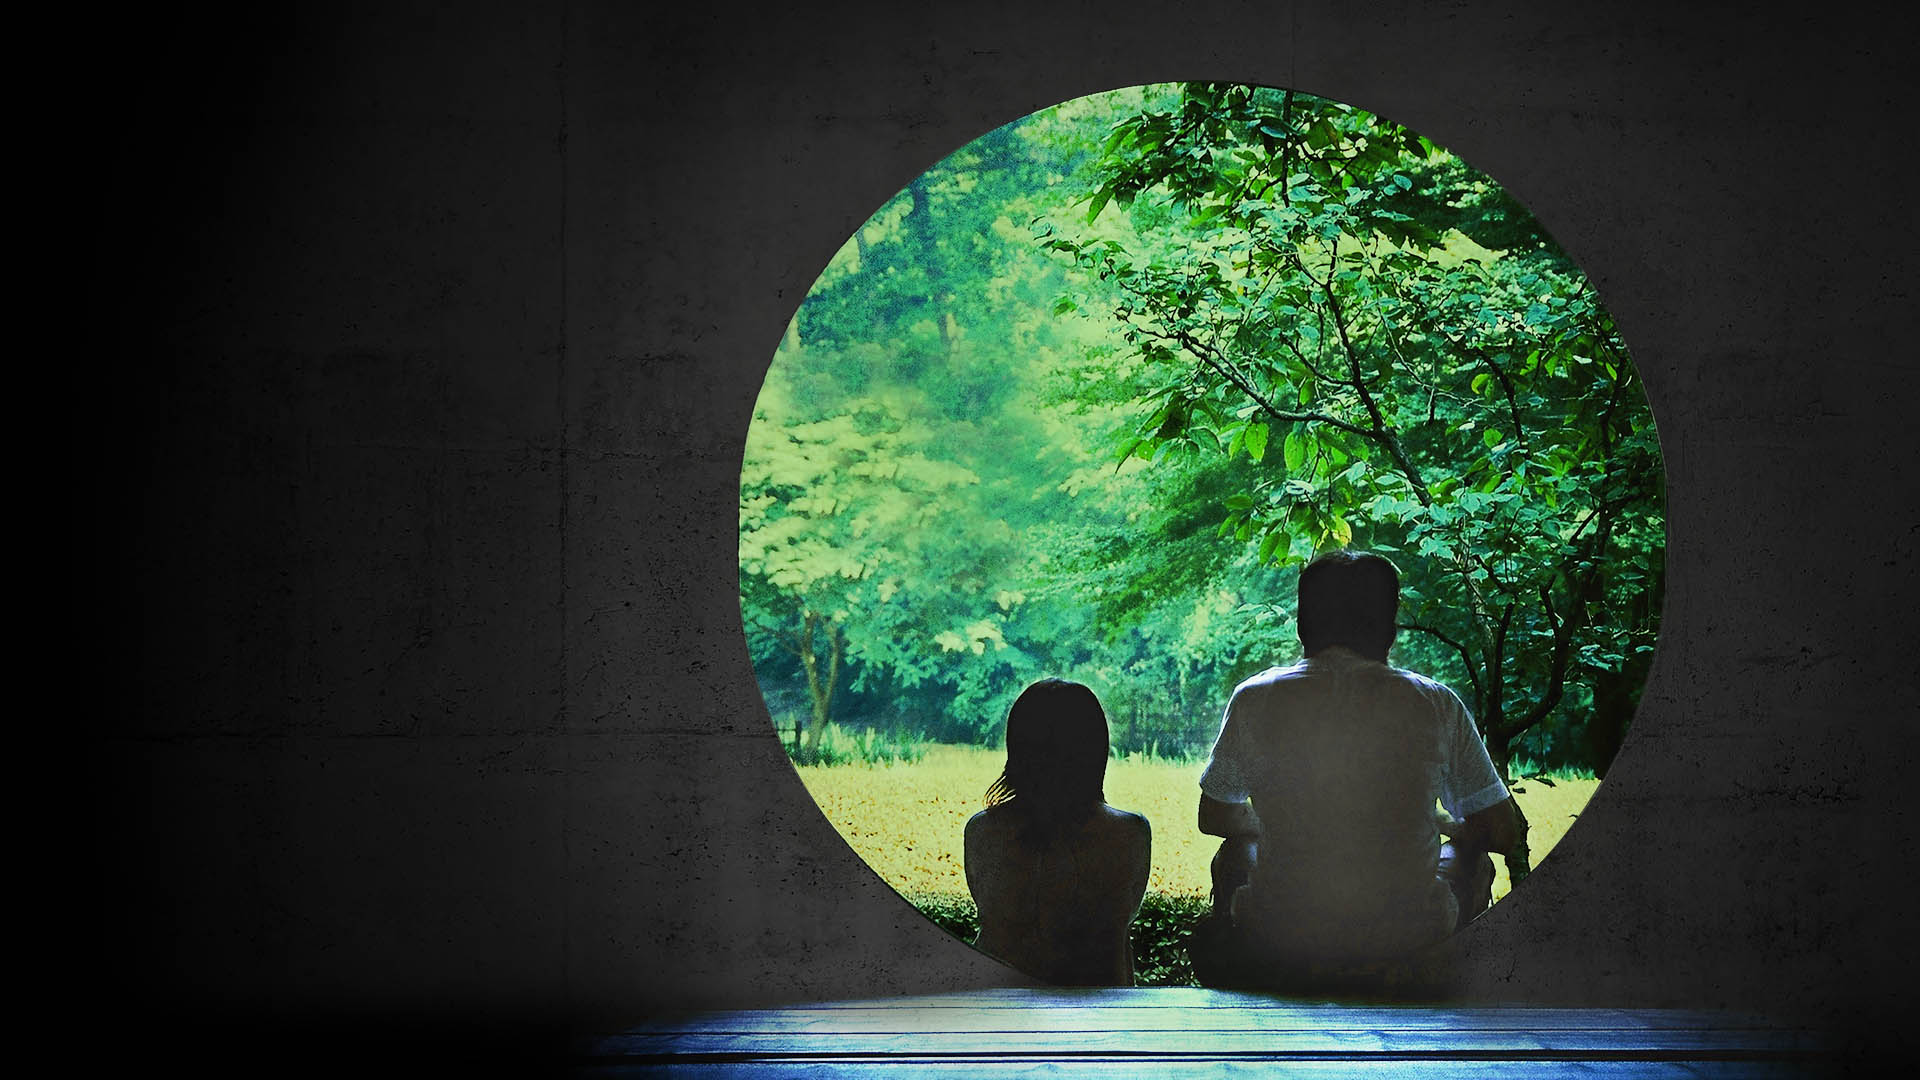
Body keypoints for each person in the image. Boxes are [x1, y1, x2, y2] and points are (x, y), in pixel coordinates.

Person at [1190, 550, 1523, 986]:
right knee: (1475, 862)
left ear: (1301, 623)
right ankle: (1438, 979)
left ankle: (1259, 975)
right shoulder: (1434, 703)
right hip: (1408, 937)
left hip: (1283, 936)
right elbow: (1503, 832)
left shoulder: (1257, 697)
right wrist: (1447, 827)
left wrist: (1274, 822)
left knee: (1233, 852)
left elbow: (1214, 816)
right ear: (1390, 627)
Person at [964, 679, 1153, 986]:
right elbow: (1119, 923)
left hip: (998, 1006)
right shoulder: (1128, 833)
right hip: (1100, 1009)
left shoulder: (982, 831)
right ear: (1095, 749)